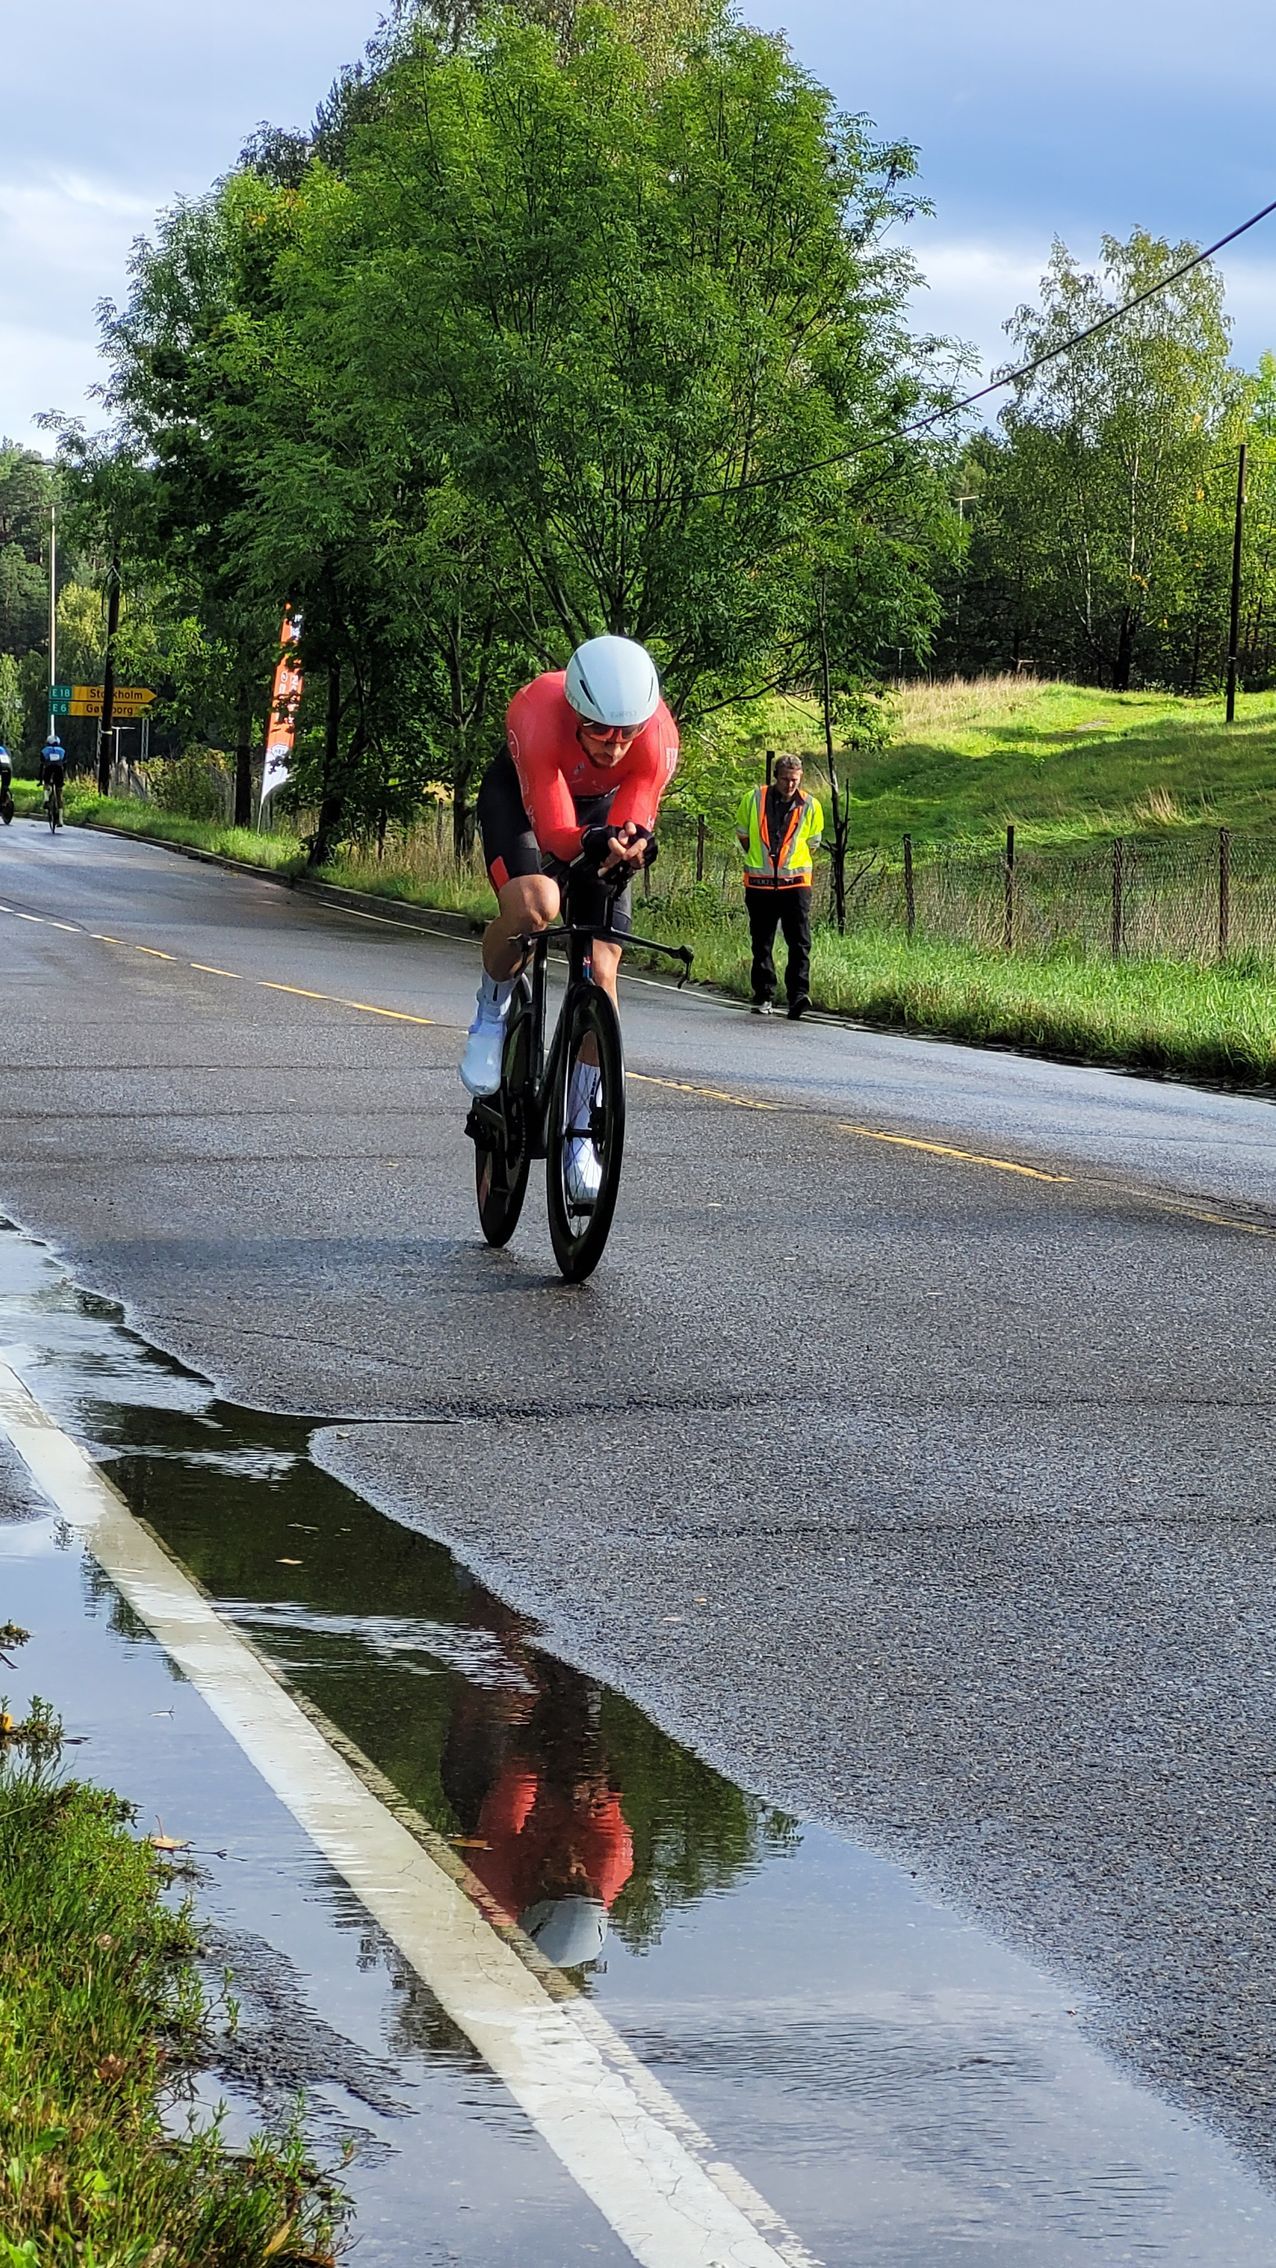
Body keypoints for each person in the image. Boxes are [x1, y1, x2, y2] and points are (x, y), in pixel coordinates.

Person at [461, 635, 680, 1199]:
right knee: (538, 906)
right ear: (575, 708)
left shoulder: (657, 736)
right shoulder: (537, 710)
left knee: (602, 970)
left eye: (627, 732)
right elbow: (557, 832)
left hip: (599, 810)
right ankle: (492, 1007)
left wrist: (633, 842)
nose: (614, 745)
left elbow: (635, 815)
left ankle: (580, 1131)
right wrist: (590, 839)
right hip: (525, 801)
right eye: (600, 730)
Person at [735, 754, 824, 1019]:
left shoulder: (811, 805)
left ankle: (798, 996)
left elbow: (813, 842)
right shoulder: (753, 799)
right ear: (776, 777)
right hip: (760, 884)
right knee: (762, 943)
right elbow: (743, 835)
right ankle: (764, 995)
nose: (790, 784)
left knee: (800, 943)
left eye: (795, 779)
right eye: (785, 779)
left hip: (796, 884)